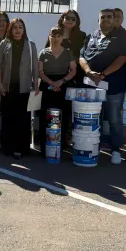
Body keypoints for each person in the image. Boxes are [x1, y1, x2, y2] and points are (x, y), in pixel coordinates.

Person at [79, 9, 126, 165]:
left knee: (114, 118)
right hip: (92, 86)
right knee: (94, 118)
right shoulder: (91, 37)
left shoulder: (122, 37)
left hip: (113, 87)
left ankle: (116, 149)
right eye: (102, 17)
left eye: (109, 17)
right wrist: (89, 71)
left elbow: (122, 58)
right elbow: (82, 56)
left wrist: (103, 74)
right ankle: (95, 146)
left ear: (114, 19)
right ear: (98, 20)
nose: (106, 19)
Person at [0, 18, 39, 159]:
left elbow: (35, 69)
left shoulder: (31, 45)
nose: (17, 30)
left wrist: (36, 88)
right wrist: (0, 84)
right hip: (7, 87)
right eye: (15, 27)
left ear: (24, 29)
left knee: (23, 120)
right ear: (10, 29)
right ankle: (8, 147)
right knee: (8, 119)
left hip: (25, 88)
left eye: (20, 27)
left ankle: (22, 148)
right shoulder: (4, 43)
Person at [37, 27, 77, 156]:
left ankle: (60, 146)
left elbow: (73, 70)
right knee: (46, 116)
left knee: (63, 117)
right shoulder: (43, 53)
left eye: (58, 36)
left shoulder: (68, 53)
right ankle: (45, 147)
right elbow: (40, 72)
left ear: (62, 38)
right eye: (53, 35)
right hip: (47, 86)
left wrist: (61, 81)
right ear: (49, 36)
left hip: (62, 86)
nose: (55, 38)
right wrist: (51, 83)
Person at [46, 10, 87, 86]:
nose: (70, 20)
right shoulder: (54, 32)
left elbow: (83, 54)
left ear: (76, 21)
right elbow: (47, 51)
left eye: (73, 19)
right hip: (56, 73)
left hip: (75, 74)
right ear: (62, 19)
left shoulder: (81, 35)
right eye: (68, 18)